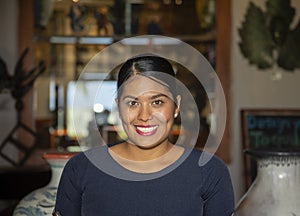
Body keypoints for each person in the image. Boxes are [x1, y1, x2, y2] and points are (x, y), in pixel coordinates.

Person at [53, 54, 234, 216]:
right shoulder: (81, 169)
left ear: (176, 106)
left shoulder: (209, 171)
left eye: (157, 102)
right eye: (132, 103)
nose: (144, 116)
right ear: (118, 106)